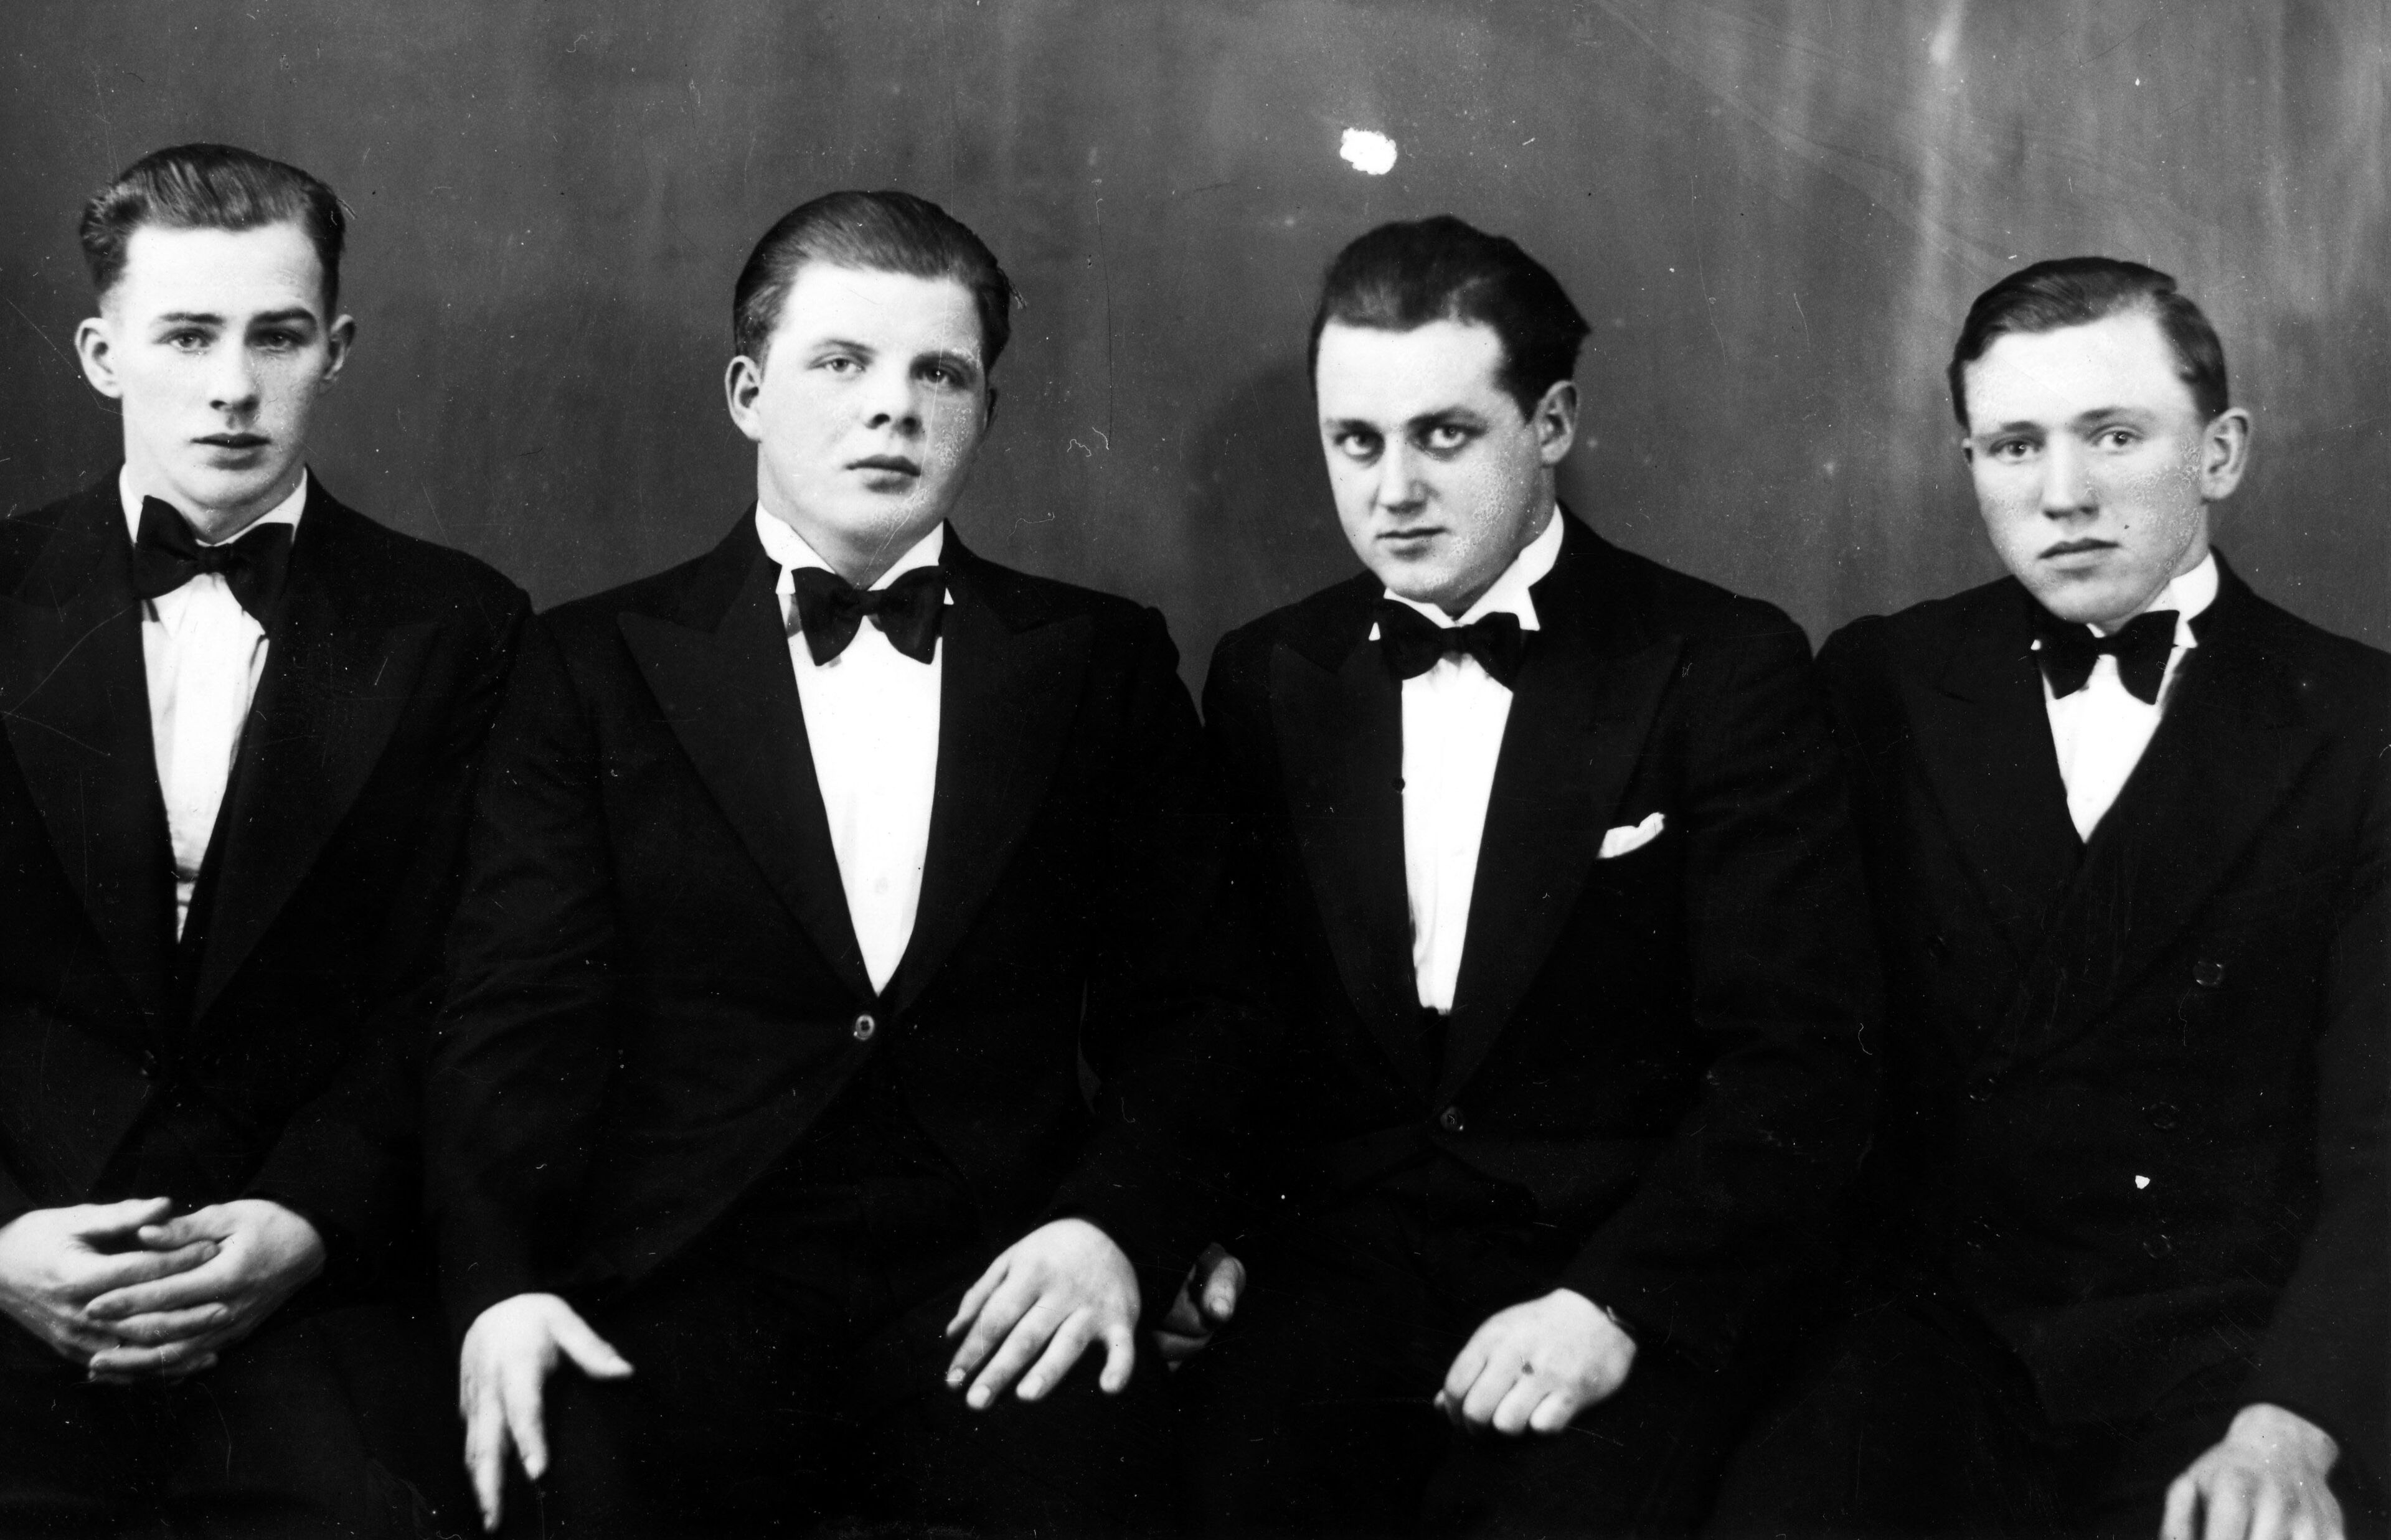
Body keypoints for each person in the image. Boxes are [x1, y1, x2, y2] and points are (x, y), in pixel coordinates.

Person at [424, 189, 1257, 1537]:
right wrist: (500, 1287)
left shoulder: (1099, 662)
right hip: (681, 1280)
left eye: (942, 374)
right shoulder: (590, 665)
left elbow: (1201, 1009)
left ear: (987, 410)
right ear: (748, 393)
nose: (894, 410)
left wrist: (1112, 1229)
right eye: (842, 363)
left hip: (1002, 1283)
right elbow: (513, 1017)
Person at [1176, 215, 1881, 1537]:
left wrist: (1615, 1304)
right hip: (1338, 1269)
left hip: (1606, 1273)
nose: (1393, 489)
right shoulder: (1269, 673)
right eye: (1356, 442)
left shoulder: (1722, 664)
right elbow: (1233, 1015)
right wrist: (1205, 1224)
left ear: (1552, 423)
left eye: (1445, 435)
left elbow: (1800, 1061)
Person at [1705, 258, 2387, 1540]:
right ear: (1970, 461)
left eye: (2115, 436)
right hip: (1929, 1344)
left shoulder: (2360, 724)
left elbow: (2387, 1143)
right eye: (2015, 445)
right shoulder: (1881, 680)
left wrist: (2294, 1421)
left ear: (2221, 452)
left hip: (2225, 1360)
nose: (2062, 494)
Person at [0, 143, 527, 1533]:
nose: (233, 385)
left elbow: (464, 983)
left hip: (303, 1275)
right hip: (20, 1253)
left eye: (277, 337)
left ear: (336, 350)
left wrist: (307, 1218)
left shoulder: (456, 624)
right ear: (103, 355)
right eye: (188, 336)